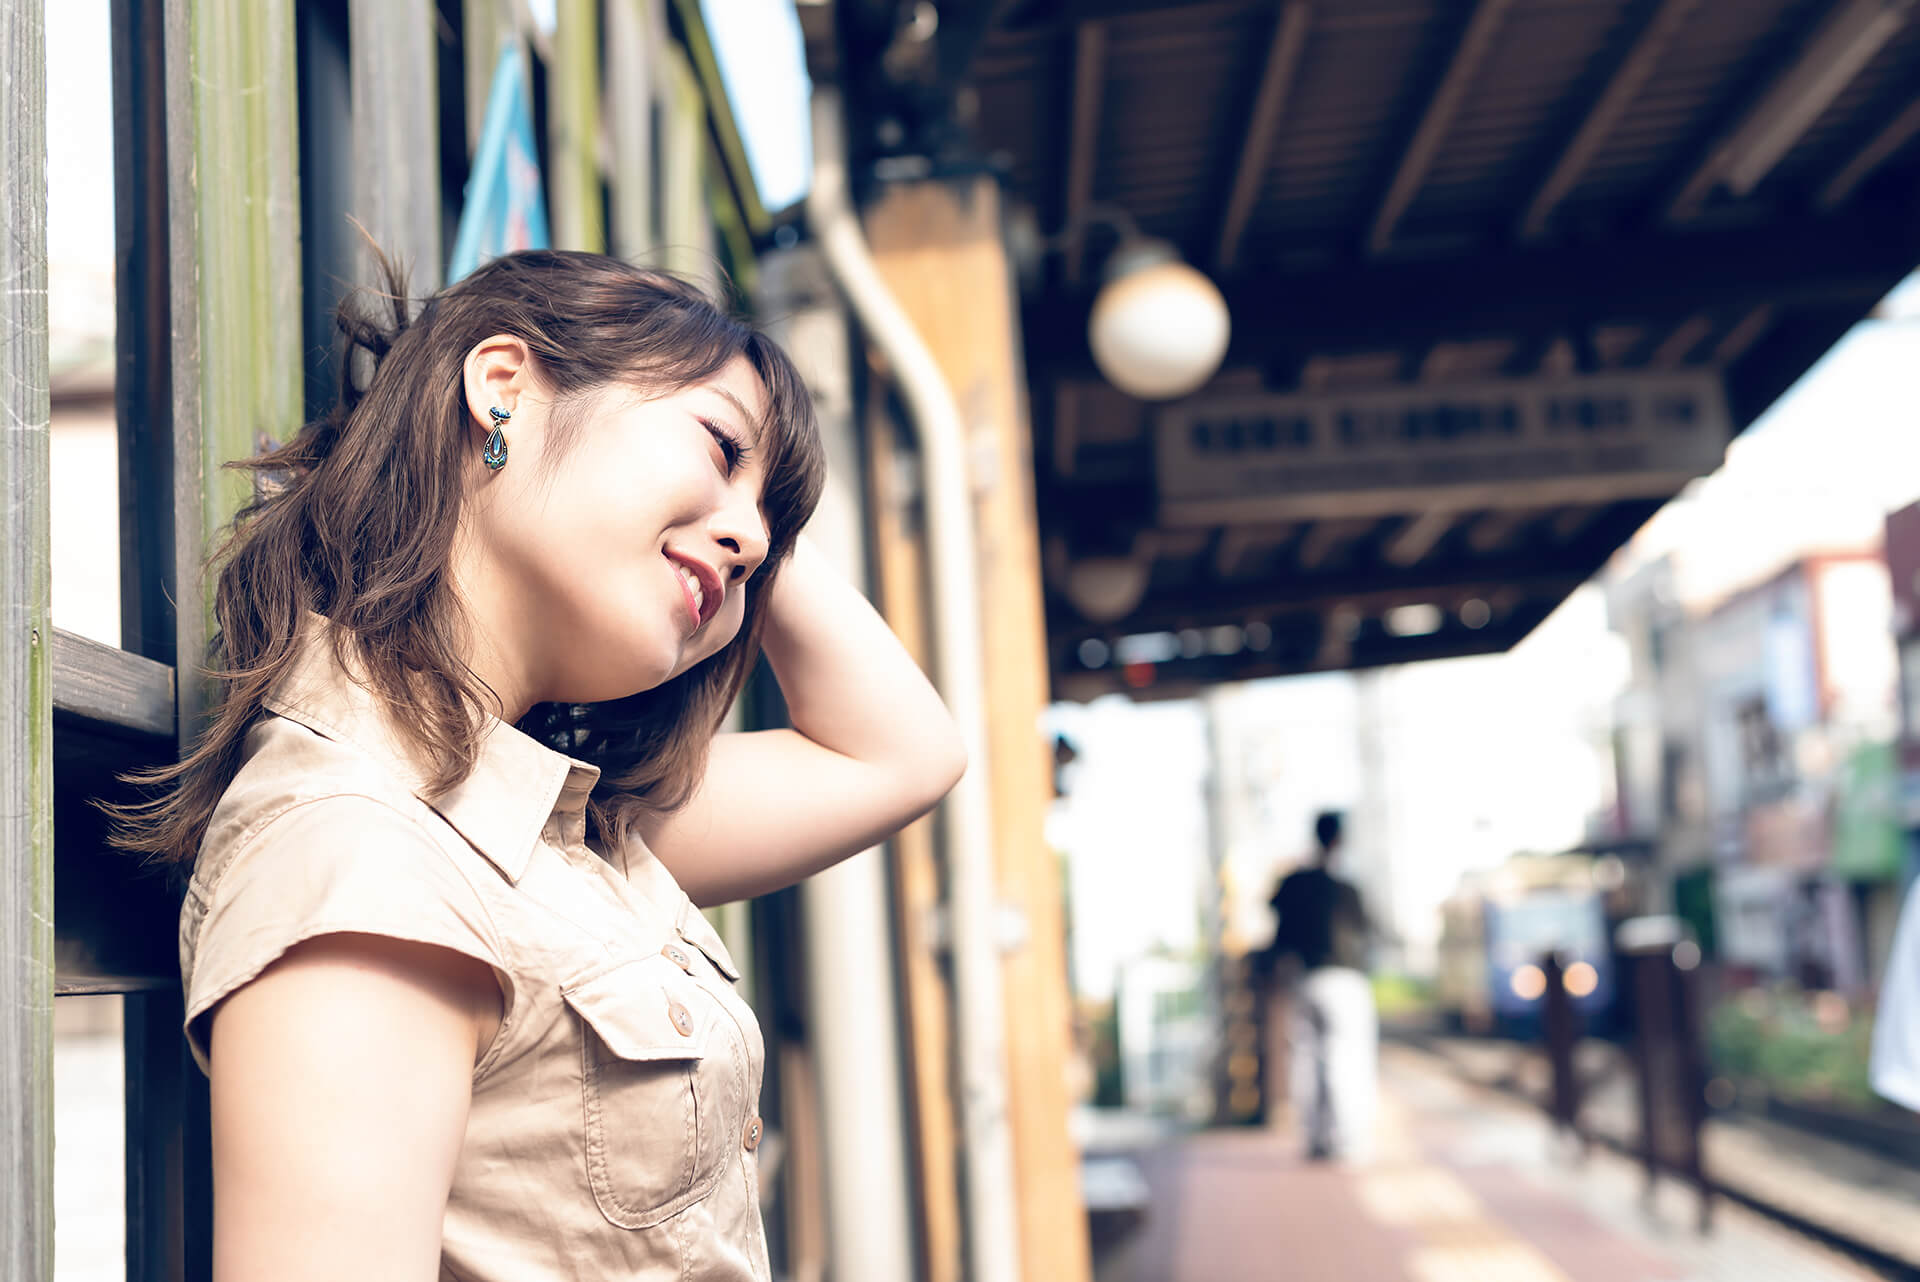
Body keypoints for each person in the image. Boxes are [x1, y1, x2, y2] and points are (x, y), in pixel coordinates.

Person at [110, 250, 966, 1281]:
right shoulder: (362, 850)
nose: (753, 543)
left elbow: (903, 752)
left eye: (770, 531)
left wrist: (744, 494)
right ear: (502, 385)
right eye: (718, 444)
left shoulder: (545, 833)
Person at [1261, 811, 1376, 1161]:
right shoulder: (1347, 886)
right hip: (1345, 980)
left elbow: (1277, 930)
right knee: (1346, 1058)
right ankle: (1346, 1142)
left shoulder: (1294, 882)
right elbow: (1369, 931)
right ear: (1340, 839)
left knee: (1306, 1060)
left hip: (1304, 979)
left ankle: (1313, 1139)